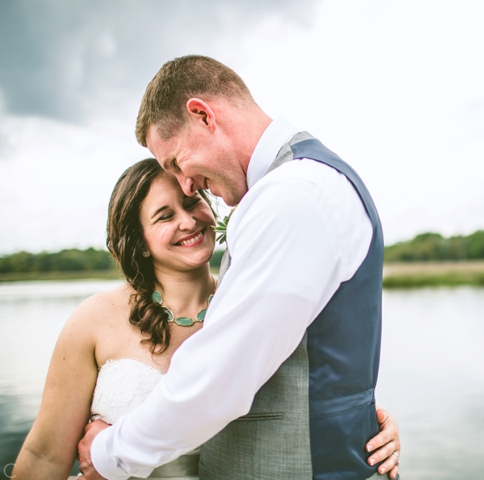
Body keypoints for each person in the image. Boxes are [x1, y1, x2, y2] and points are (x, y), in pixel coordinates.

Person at [78, 55, 399, 480]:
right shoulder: (300, 185)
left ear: (203, 115)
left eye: (176, 162)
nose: (187, 184)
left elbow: (218, 379)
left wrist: (108, 454)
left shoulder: (294, 193)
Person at [11, 159, 401, 480]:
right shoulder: (94, 321)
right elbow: (46, 455)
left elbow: (310, 394)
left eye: (191, 200)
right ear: (139, 242)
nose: (188, 221)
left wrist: (371, 427)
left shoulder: (251, 304)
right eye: (165, 216)